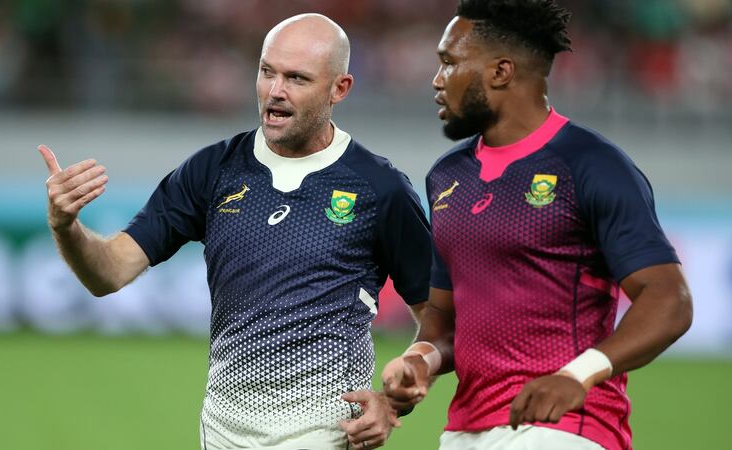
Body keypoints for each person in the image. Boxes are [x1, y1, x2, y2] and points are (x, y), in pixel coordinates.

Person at [38, 13, 431, 450]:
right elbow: (107, 273)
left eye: (297, 78)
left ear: (340, 88)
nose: (275, 92)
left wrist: (391, 402)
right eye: (267, 72)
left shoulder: (380, 187)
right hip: (223, 434)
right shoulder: (213, 170)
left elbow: (440, 321)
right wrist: (65, 225)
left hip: (326, 434)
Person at [381, 1, 693, 450]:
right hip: (463, 433)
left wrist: (577, 375)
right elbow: (445, 323)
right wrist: (417, 362)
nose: (436, 80)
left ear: (501, 72)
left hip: (566, 426)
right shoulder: (447, 176)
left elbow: (669, 299)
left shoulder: (591, 165)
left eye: (449, 63)